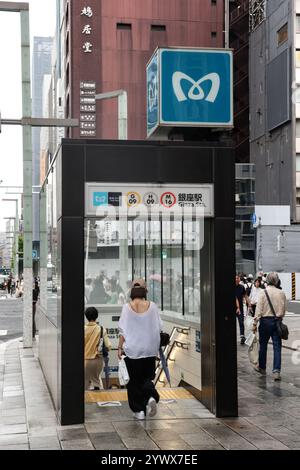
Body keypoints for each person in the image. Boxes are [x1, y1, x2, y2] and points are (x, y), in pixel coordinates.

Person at [118, 279, 162, 420]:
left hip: (132, 349)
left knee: (134, 381)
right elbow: (159, 327)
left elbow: (122, 331)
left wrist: (119, 348)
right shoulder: (153, 306)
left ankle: (139, 411)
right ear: (145, 292)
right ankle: (150, 397)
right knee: (147, 377)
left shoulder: (127, 307)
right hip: (149, 349)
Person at [252, 272, 287, 381]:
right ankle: (276, 371)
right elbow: (284, 309)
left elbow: (258, 310)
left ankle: (262, 367)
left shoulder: (263, 293)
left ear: (267, 281)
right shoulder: (281, 293)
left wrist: (254, 323)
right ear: (276, 281)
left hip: (265, 322)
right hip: (277, 321)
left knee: (263, 345)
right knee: (277, 347)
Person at [84, 307, 112, 390]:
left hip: (85, 360)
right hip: (97, 360)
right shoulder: (101, 329)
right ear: (96, 316)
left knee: (85, 383)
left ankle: (85, 401)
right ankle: (96, 400)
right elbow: (108, 346)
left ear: (86, 316)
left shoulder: (83, 329)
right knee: (96, 382)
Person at [236, 275, 251, 344]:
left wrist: (249, 305)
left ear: (239, 279)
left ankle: (242, 336)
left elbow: (246, 296)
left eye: (237, 278)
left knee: (241, 322)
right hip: (232, 308)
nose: (236, 279)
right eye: (235, 278)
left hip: (240, 308)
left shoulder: (242, 287)